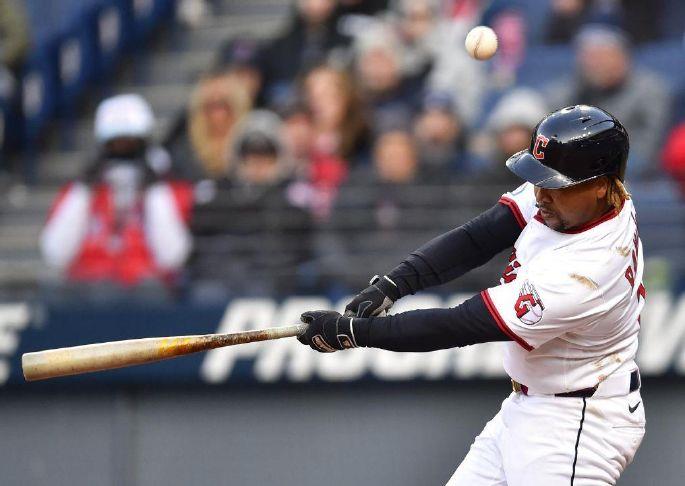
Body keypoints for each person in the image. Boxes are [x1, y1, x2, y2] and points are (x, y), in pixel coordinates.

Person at [297, 105, 645, 485]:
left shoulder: (588, 271)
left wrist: (354, 332)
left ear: (601, 184)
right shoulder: (580, 200)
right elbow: (479, 237)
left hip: (577, 423)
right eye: (539, 179)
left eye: (555, 185)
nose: (541, 194)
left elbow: (459, 324)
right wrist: (393, 284)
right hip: (531, 405)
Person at [41, 94, 193, 294]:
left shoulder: (170, 190)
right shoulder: (80, 192)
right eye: (114, 145)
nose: (123, 152)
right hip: (88, 293)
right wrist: (83, 190)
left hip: (148, 294)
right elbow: (56, 254)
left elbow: (173, 257)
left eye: (130, 145)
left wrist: (154, 190)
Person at [190, 110, 314, 299]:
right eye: (250, 154)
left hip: (270, 283)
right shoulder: (217, 193)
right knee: (206, 294)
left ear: (280, 156)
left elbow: (299, 246)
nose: (257, 163)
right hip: (220, 280)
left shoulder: (293, 197)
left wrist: (265, 194)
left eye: (266, 154)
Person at [546, 24, 671, 178]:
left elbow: (649, 147)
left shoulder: (650, 91)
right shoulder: (572, 91)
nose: (593, 65)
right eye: (587, 58)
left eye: (601, 57)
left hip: (633, 176)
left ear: (622, 58)